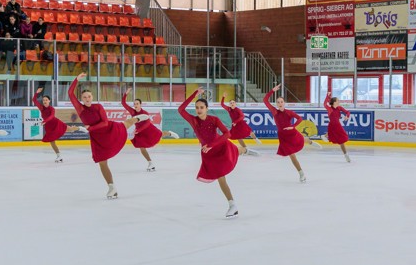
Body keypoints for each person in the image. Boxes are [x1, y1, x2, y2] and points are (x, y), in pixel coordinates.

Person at [68, 73, 147, 199]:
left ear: (92, 97)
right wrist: (76, 79)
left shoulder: (98, 106)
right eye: (84, 97)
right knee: (102, 163)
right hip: (97, 138)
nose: (87, 99)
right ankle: (112, 188)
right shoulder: (80, 108)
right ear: (81, 99)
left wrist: (90, 128)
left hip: (107, 129)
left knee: (124, 125)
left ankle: (136, 119)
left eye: (89, 96)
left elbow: (105, 122)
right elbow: (70, 93)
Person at [178, 88, 247, 218]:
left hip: (220, 148)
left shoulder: (214, 119)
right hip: (209, 154)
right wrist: (194, 94)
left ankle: (232, 205)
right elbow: (181, 109)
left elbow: (227, 133)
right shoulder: (194, 121)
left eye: (202, 107)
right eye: (197, 107)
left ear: (207, 108)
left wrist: (211, 145)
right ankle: (233, 206)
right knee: (222, 177)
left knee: (235, 154)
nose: (199, 110)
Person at [264, 84, 320, 183]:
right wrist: (272, 90)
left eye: (281, 101)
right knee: (292, 156)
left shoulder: (289, 112)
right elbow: (265, 100)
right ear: (276, 104)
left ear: (284, 103)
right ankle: (301, 173)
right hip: (283, 137)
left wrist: (293, 126)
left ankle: (310, 142)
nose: (280, 103)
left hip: (292, 133)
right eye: (278, 102)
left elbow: (300, 118)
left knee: (302, 140)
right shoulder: (274, 112)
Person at [120, 88, 179, 171]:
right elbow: (123, 103)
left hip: (148, 129)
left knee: (161, 134)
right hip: (140, 132)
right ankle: (150, 163)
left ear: (140, 104)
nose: (135, 105)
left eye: (137, 103)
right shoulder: (133, 112)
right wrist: (126, 93)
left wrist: (138, 130)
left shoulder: (145, 113)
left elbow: (147, 123)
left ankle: (169, 133)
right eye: (134, 104)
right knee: (141, 147)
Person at [33, 87, 80, 162]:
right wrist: (36, 93)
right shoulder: (41, 108)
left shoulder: (52, 109)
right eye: (43, 100)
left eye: (46, 100)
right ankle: (59, 156)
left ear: (49, 101)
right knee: (52, 142)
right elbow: (34, 100)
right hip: (49, 127)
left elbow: (51, 116)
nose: (45, 101)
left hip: (56, 123)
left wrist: (45, 120)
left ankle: (80, 128)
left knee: (70, 129)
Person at [322, 92, 352, 162]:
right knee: (341, 140)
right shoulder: (330, 109)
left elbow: (348, 112)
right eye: (338, 100)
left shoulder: (339, 108)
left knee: (342, 141)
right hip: (332, 126)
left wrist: (347, 116)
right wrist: (327, 96)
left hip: (338, 125)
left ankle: (346, 155)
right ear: (334, 102)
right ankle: (325, 135)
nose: (339, 101)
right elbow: (324, 104)